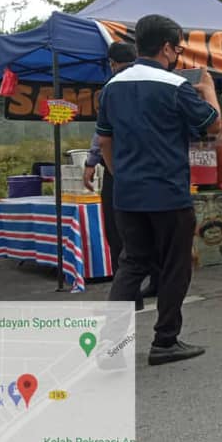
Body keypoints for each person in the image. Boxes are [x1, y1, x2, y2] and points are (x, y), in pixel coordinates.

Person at [97, 14, 221, 365]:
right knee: (175, 266)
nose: (178, 54)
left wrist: (120, 174)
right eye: (178, 48)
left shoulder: (112, 87)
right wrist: (209, 90)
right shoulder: (175, 85)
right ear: (166, 47)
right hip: (168, 193)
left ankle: (110, 346)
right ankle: (165, 340)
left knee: (131, 265)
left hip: (127, 194)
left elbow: (104, 140)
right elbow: (213, 125)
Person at [83, 41, 139, 276]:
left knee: (118, 230)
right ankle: (156, 281)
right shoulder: (154, 83)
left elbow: (103, 136)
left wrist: (91, 162)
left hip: (120, 167)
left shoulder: (112, 88)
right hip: (152, 167)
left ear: (112, 63)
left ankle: (125, 281)